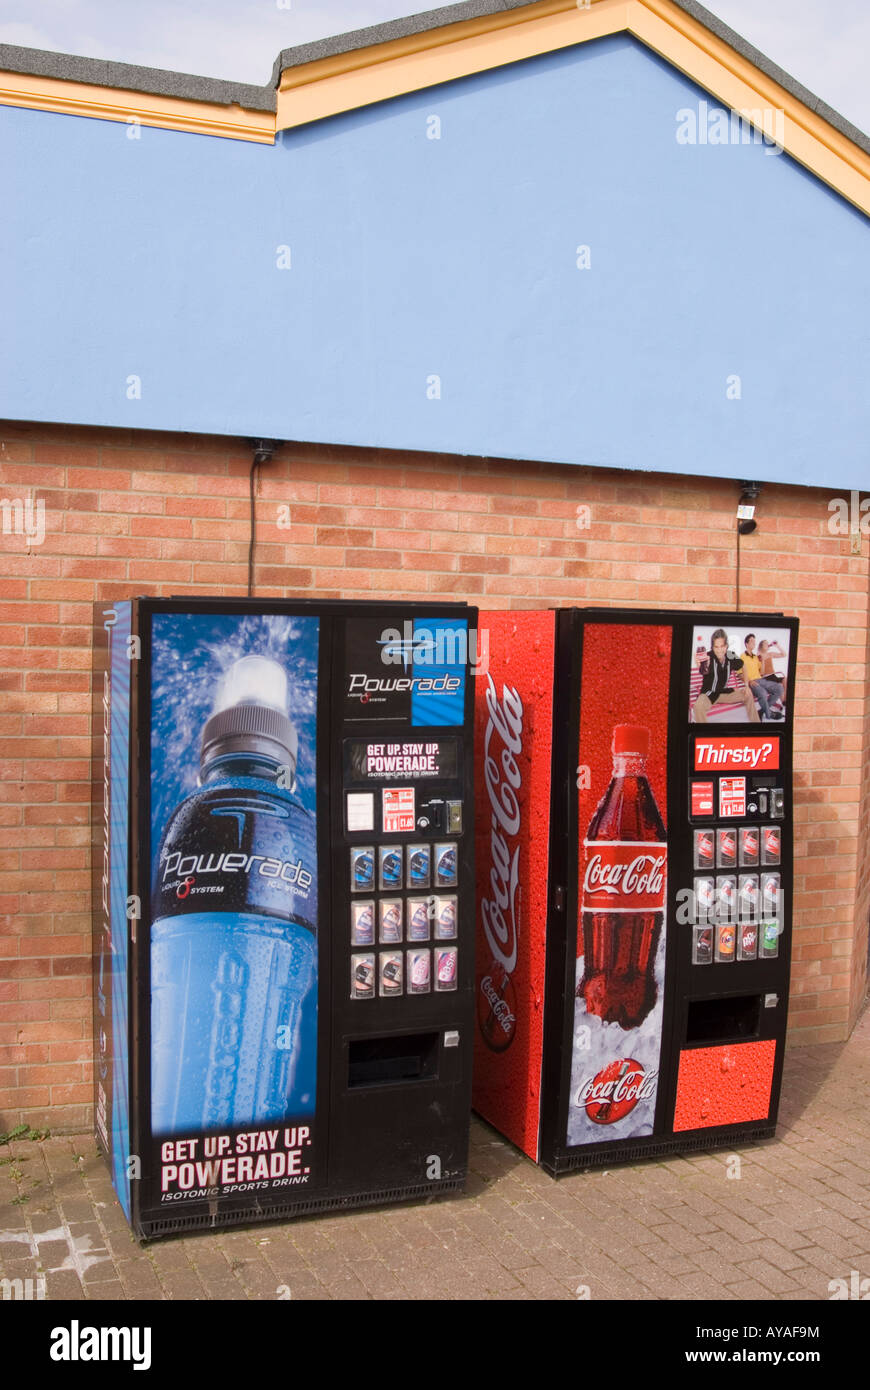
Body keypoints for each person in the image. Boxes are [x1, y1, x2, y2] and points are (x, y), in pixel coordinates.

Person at [692, 629, 759, 723]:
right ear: (712, 647)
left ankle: (756, 726)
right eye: (716, 647)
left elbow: (743, 665)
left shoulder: (730, 654)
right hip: (708, 694)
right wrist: (700, 665)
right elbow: (703, 669)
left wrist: (747, 686)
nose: (719, 650)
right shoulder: (708, 656)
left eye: (722, 646)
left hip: (724, 692)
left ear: (726, 646)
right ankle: (704, 736)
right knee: (698, 707)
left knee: (748, 694)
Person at [753, 639, 786, 720]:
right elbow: (761, 673)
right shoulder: (758, 656)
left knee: (785, 679)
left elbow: (784, 654)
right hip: (766, 678)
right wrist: (762, 659)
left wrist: (777, 645)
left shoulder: (770, 654)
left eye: (768, 644)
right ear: (761, 646)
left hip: (773, 676)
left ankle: (784, 702)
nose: (767, 645)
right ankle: (784, 705)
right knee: (780, 685)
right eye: (765, 644)